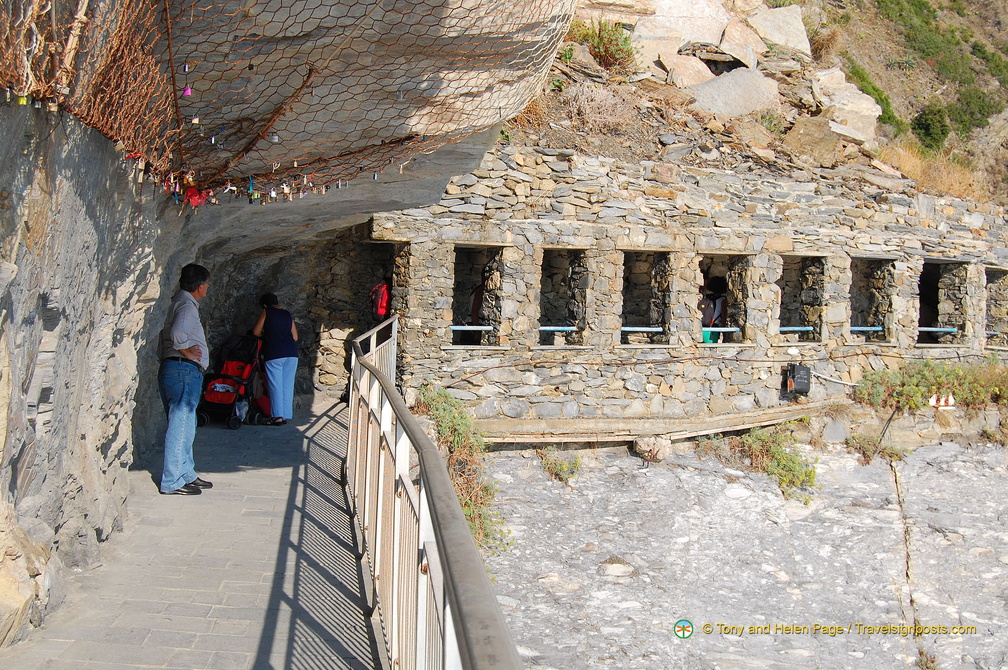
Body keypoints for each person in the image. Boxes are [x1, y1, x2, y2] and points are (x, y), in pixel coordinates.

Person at [158, 263, 214, 495]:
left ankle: (186, 473)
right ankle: (172, 481)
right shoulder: (187, 306)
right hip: (183, 370)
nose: (207, 288)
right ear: (200, 286)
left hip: (178, 370)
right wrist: (186, 351)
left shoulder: (180, 302)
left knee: (186, 425)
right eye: (207, 285)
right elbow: (178, 333)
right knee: (181, 425)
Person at [252, 293, 299, 425]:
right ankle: (285, 415)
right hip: (292, 353)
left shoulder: (266, 311)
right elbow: (295, 337)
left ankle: (277, 416)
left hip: (274, 352)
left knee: (275, 385)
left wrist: (266, 334)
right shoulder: (287, 314)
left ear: (265, 305)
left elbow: (256, 332)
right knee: (287, 385)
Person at [699, 276, 727, 343]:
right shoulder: (723, 300)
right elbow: (724, 319)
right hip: (713, 329)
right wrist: (725, 336)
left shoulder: (706, 297)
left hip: (702, 327)